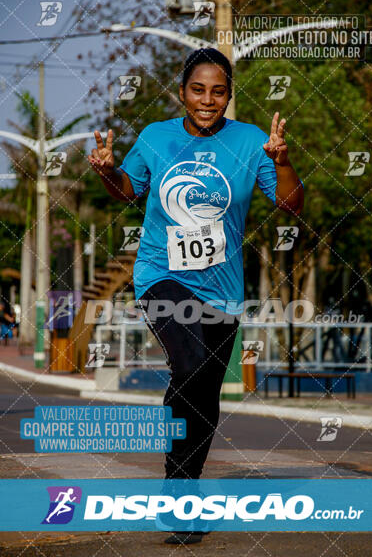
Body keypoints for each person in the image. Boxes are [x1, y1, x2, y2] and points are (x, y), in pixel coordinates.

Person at [88, 47, 304, 543]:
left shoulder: (250, 141)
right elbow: (128, 190)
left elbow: (290, 203)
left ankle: (183, 491)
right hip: (162, 275)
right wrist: (106, 171)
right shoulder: (155, 136)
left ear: (229, 95)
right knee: (188, 368)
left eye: (219, 91)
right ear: (182, 92)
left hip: (223, 290)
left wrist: (284, 161)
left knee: (205, 389)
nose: (208, 100)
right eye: (198, 89)